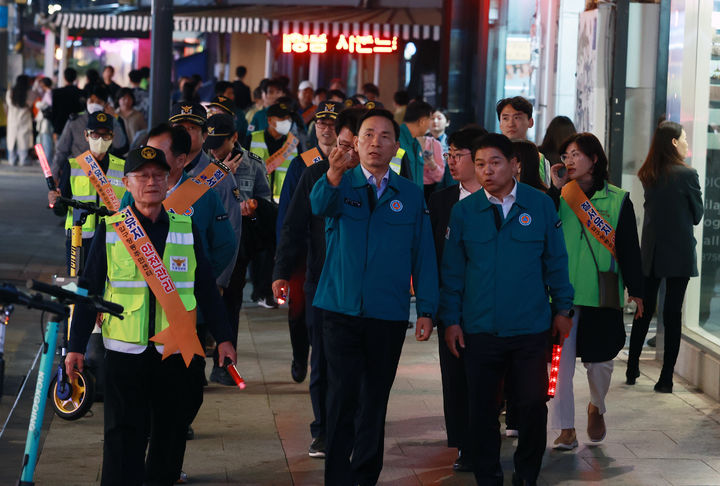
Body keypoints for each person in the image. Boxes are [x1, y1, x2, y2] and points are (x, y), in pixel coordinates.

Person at [65, 146, 237, 486]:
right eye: (142, 176)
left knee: (170, 435)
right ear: (127, 183)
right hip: (124, 353)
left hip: (173, 353)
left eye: (158, 175)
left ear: (168, 179)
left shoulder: (184, 228)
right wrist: (75, 346)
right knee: (120, 436)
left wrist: (224, 337)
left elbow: (205, 287)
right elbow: (88, 290)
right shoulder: (113, 229)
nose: (151, 182)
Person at [310, 108, 438, 485]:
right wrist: (333, 173)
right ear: (355, 141)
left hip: (388, 313)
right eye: (367, 135)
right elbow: (318, 206)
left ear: (397, 146)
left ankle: (365, 475)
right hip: (339, 309)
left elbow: (424, 255)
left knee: (375, 399)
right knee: (342, 397)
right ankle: (336, 476)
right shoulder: (339, 185)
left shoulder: (411, 196)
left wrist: (427, 309)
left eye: (384, 136)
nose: (375, 143)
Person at [439, 133, 574, 486]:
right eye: (480, 164)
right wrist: (450, 320)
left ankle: (527, 475)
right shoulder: (464, 212)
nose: (486, 171)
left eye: (494, 163)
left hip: (530, 328)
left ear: (514, 164)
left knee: (531, 406)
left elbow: (556, 262)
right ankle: (488, 476)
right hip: (479, 330)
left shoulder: (540, 205)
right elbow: (452, 273)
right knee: (482, 411)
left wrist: (563, 309)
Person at [272, 107, 363, 460]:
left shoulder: (379, 183)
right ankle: (323, 429)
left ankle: (356, 425)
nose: (346, 153)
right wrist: (280, 271)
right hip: (321, 282)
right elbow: (293, 226)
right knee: (322, 360)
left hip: (364, 288)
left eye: (354, 145)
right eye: (341, 145)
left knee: (361, 365)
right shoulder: (312, 175)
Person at [547, 132, 644, 450]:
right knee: (559, 366)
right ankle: (565, 428)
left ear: (595, 159)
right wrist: (553, 189)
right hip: (562, 296)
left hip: (602, 293)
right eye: (566, 154)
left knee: (601, 363)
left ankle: (596, 405)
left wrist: (636, 289)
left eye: (576, 154)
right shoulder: (559, 197)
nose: (569, 160)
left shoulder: (618, 198)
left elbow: (629, 247)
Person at [627, 121, 703, 392]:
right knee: (672, 315)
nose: (685, 143)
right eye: (683, 139)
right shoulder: (687, 174)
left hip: (652, 252)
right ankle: (666, 378)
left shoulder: (649, 173)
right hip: (679, 253)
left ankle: (632, 366)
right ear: (673, 142)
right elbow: (697, 214)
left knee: (643, 311)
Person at [427, 127, 486, 473]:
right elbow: (432, 254)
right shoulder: (440, 201)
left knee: (486, 376)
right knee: (455, 376)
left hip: (491, 305)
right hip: (451, 304)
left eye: (457, 155)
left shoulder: (501, 199)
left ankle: (484, 435)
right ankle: (464, 442)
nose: (450, 161)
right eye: (448, 154)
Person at [273, 101, 343, 386]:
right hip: (304, 252)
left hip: (333, 250)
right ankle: (300, 356)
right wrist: (283, 262)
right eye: (321, 123)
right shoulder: (302, 163)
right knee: (298, 310)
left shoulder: (351, 163)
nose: (326, 129)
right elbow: (287, 215)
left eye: (332, 124)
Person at [202, 113, 275, 383]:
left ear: (234, 138)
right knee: (198, 304)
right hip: (204, 241)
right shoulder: (202, 162)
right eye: (210, 141)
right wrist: (220, 177)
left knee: (230, 304)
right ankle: (194, 363)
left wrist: (252, 209)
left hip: (236, 244)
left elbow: (264, 209)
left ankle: (225, 366)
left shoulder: (254, 165)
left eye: (219, 142)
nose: (213, 148)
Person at [49, 111, 125, 270]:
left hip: (113, 241)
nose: (100, 140)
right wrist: (56, 202)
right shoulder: (74, 165)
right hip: (79, 241)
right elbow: (61, 210)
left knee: (107, 288)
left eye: (106, 135)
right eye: (95, 135)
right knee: (79, 286)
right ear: (86, 135)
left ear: (112, 136)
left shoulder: (123, 167)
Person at [52, 84, 128, 180]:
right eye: (91, 101)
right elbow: (62, 150)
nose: (94, 104)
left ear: (105, 104)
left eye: (98, 102)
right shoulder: (75, 121)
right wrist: (54, 174)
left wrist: (113, 118)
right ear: (86, 101)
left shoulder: (111, 122)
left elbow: (119, 144)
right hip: (78, 171)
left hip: (103, 172)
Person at [496, 96, 550, 186]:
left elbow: (545, 190)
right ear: (500, 124)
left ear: (530, 122)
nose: (511, 124)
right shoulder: (491, 155)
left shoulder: (539, 159)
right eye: (505, 118)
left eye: (517, 118)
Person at [399, 100, 433, 188]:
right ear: (422, 121)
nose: (431, 124)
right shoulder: (396, 141)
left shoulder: (416, 143)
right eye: (431, 119)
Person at [6, 74, 34, 167]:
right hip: (24, 120)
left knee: (12, 140)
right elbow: (30, 103)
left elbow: (8, 104)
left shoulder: (10, 92)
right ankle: (23, 159)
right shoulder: (30, 93)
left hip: (12, 121)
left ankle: (12, 159)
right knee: (23, 141)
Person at [51, 67, 84, 141]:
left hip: (61, 126)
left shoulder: (57, 92)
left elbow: (54, 112)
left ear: (64, 77)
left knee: (61, 150)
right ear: (75, 78)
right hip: (77, 126)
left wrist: (55, 129)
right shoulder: (81, 93)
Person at [35, 77, 54, 162]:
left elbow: (50, 104)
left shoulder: (49, 93)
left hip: (46, 121)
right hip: (45, 121)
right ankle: (45, 159)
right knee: (44, 141)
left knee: (47, 142)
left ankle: (47, 160)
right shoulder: (49, 92)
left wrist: (40, 104)